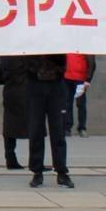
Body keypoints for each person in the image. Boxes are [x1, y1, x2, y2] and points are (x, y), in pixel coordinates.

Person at [22, 53, 72, 188]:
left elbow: (63, 63)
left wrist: (52, 70)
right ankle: (37, 171)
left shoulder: (57, 42)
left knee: (58, 131)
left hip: (56, 86)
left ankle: (61, 172)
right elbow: (24, 61)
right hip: (35, 86)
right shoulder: (31, 43)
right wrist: (38, 70)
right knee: (36, 130)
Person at [0, 56, 31, 170]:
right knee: (35, 126)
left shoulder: (5, 55)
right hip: (26, 92)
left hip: (10, 91)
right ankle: (36, 160)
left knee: (9, 126)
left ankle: (10, 159)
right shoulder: (26, 55)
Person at [60, 53, 94, 137]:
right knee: (67, 104)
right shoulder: (67, 44)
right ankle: (67, 128)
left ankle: (82, 128)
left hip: (80, 80)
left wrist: (88, 80)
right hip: (66, 78)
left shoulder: (85, 46)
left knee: (81, 104)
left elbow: (92, 63)